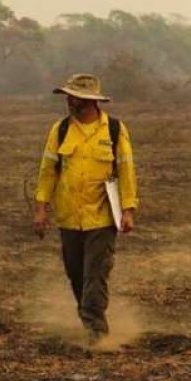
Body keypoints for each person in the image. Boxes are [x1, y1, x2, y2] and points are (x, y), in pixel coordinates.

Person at [32, 73, 139, 346]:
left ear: (90, 101)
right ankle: (89, 318)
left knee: (96, 274)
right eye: (69, 95)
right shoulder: (60, 130)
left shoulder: (114, 130)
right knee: (76, 275)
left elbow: (126, 170)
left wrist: (128, 210)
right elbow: (47, 171)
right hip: (69, 216)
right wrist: (41, 209)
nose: (69, 100)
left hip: (102, 217)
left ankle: (97, 335)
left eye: (74, 96)